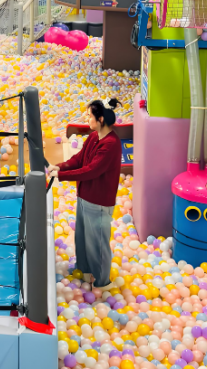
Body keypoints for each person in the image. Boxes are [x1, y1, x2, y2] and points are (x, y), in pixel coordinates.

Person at [54, 98, 122, 292]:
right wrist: (59, 167)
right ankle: (84, 271)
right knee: (82, 238)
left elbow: (91, 170)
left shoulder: (110, 144)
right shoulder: (94, 137)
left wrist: (61, 175)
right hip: (85, 196)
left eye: (90, 116)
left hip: (99, 201)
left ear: (100, 119)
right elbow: (80, 159)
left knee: (97, 243)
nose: (87, 119)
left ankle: (102, 282)